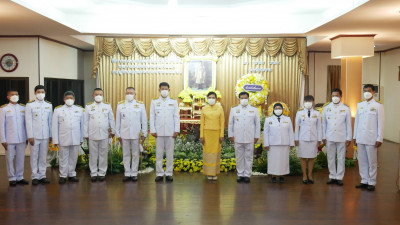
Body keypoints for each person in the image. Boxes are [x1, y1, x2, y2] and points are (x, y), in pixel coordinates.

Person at [353, 84, 384, 191]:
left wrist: (379, 138)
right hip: (360, 137)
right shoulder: (359, 105)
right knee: (361, 160)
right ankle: (364, 180)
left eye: (369, 91)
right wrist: (355, 137)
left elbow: (381, 123)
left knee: (372, 161)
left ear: (373, 92)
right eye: (364, 91)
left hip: (372, 138)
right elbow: (356, 122)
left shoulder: (378, 105)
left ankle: (372, 181)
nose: (366, 93)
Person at [116, 87, 147, 182]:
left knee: (135, 154)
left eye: (131, 93)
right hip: (124, 134)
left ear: (135, 94)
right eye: (127, 93)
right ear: (125, 94)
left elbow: (144, 120)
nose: (129, 94)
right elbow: (118, 121)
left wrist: (144, 133)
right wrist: (118, 135)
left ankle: (134, 173)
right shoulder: (120, 105)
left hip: (136, 134)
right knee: (125, 154)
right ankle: (127, 173)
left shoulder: (140, 105)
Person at [150, 82, 180, 182]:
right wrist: (153, 130)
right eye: (162, 89)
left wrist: (176, 130)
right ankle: (159, 173)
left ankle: (168, 173)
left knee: (169, 153)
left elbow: (176, 117)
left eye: (166, 89)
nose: (164, 90)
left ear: (169, 90)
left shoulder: (174, 101)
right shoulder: (154, 102)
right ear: (159, 90)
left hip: (170, 132)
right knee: (158, 153)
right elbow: (152, 116)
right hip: (158, 132)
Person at [52, 91, 84, 184]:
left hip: (76, 138)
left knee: (73, 157)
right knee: (63, 157)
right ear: (64, 99)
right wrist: (55, 140)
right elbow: (54, 126)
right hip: (63, 138)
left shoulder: (79, 110)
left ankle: (72, 174)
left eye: (71, 98)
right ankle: (63, 175)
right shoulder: (58, 110)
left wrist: (81, 138)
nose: (69, 99)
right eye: (67, 98)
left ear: (74, 99)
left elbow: (82, 125)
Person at [84, 88, 115, 182]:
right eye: (96, 94)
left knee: (103, 155)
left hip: (104, 134)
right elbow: (85, 121)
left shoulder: (107, 106)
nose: (98, 96)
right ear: (93, 96)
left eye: (100, 94)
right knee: (93, 155)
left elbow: (111, 119)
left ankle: (102, 173)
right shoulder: (88, 106)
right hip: (92, 135)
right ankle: (93, 173)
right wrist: (85, 134)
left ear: (103, 95)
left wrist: (113, 131)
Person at [228, 91, 260, 183]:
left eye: (245, 98)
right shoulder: (234, 109)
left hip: (250, 137)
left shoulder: (254, 109)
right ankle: (240, 174)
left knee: (249, 156)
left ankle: (247, 175)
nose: (244, 100)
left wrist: (256, 136)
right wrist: (231, 135)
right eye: (242, 98)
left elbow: (257, 124)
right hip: (237, 137)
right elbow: (230, 124)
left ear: (248, 99)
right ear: (239, 99)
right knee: (239, 157)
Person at [322, 88, 352, 186]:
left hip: (341, 137)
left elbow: (348, 124)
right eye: (333, 96)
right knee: (330, 157)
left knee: (341, 157)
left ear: (340, 96)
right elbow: (324, 124)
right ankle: (332, 176)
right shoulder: (326, 107)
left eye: (337, 96)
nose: (335, 97)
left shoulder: (346, 108)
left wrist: (349, 138)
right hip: (329, 136)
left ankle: (339, 177)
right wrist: (323, 136)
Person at [0, 89, 29, 186]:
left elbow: (26, 124)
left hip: (21, 138)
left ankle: (20, 177)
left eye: (16, 94)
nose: (15, 96)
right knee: (9, 158)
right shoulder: (3, 109)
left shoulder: (23, 108)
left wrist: (27, 137)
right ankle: (12, 178)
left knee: (21, 158)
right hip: (9, 139)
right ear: (8, 97)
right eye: (12, 94)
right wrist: (3, 139)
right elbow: (1, 125)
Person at [25, 85, 52, 185]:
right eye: (39, 92)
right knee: (34, 156)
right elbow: (28, 121)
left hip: (45, 135)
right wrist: (30, 136)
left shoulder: (49, 105)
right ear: (35, 93)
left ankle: (42, 175)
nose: (41, 93)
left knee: (43, 156)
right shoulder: (30, 105)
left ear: (45, 93)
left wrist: (50, 135)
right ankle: (34, 176)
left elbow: (50, 122)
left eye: (42, 92)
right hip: (34, 136)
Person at [264, 103, 295, 183]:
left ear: (282, 109)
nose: (278, 110)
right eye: (276, 108)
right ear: (273, 110)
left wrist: (292, 143)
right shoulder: (268, 119)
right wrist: (266, 144)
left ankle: (282, 175)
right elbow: (266, 133)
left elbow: (290, 132)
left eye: (279, 108)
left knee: (283, 160)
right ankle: (273, 176)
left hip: (284, 143)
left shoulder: (287, 119)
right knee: (273, 160)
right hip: (272, 144)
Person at [295, 95, 322, 184]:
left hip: (313, 138)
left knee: (311, 157)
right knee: (303, 157)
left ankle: (310, 175)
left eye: (310, 101)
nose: (308, 103)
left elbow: (319, 127)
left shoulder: (317, 113)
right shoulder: (299, 113)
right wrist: (296, 138)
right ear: (304, 103)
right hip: (302, 138)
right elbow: (296, 127)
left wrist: (319, 139)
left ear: (313, 102)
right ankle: (304, 175)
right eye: (306, 101)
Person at [200, 91, 225, 180]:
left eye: (213, 97)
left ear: (216, 99)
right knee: (207, 153)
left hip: (217, 134)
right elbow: (202, 123)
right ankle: (208, 173)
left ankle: (214, 173)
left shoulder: (219, 108)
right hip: (207, 134)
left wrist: (222, 135)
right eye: (209, 97)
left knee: (215, 154)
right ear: (207, 99)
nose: (211, 99)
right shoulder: (204, 108)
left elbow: (222, 122)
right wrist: (201, 136)